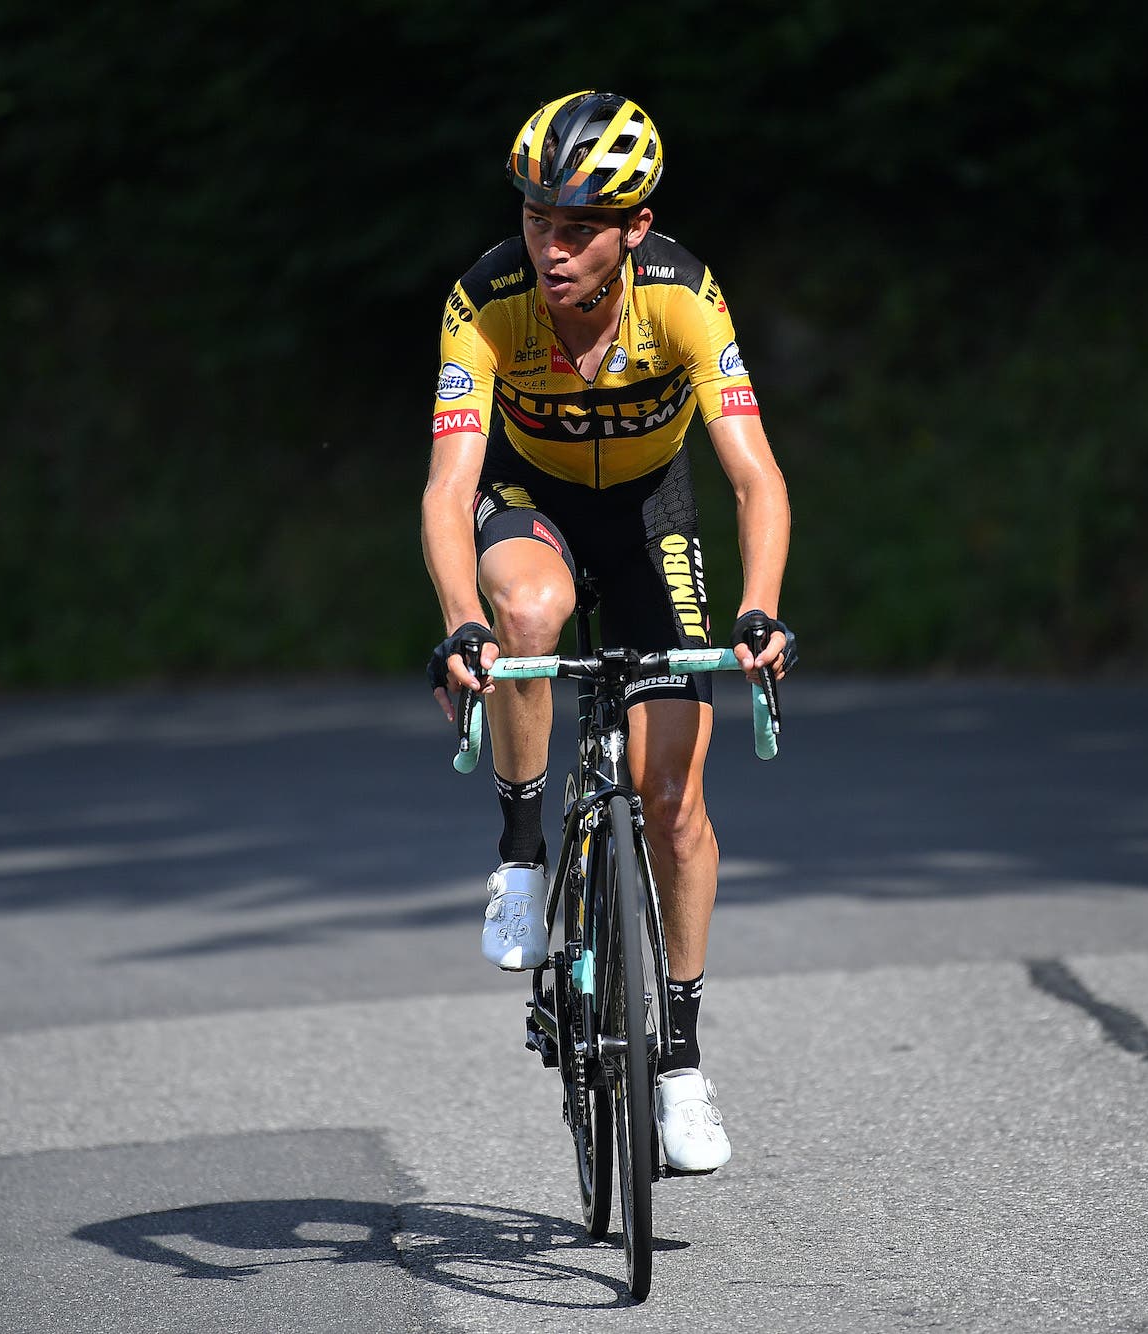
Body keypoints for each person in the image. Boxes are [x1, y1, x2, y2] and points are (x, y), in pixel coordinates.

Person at [421, 90, 795, 1176]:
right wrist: (460, 623)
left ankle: (679, 1062)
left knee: (671, 798)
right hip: (526, 500)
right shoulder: (484, 301)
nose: (552, 246)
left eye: (580, 227)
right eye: (537, 218)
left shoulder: (683, 297)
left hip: (648, 518)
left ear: (635, 227)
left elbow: (754, 475)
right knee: (527, 614)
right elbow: (447, 489)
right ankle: (522, 854)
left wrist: (759, 606)